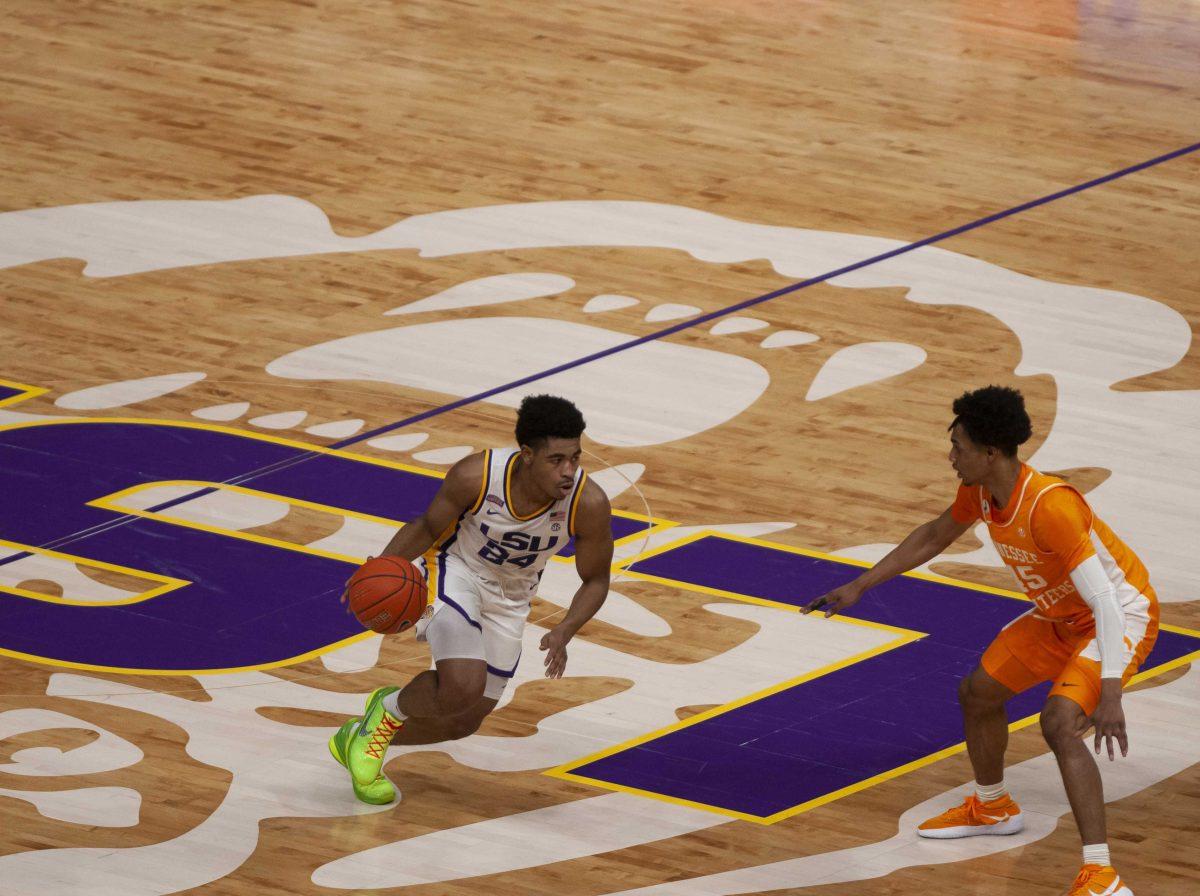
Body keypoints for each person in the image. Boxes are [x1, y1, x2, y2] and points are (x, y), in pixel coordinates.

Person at [804, 385, 1155, 896]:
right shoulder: (981, 490)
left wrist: (1111, 691)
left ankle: (1102, 875)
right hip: (1060, 616)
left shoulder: (1051, 507)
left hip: (1118, 616)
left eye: (959, 448)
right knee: (978, 692)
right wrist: (860, 585)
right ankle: (992, 807)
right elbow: (935, 534)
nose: (951, 458)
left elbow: (1104, 601)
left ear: (991, 452)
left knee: (1058, 723)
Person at [329, 394, 614, 805]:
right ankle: (386, 716)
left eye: (575, 457)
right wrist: (376, 570)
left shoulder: (587, 503)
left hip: (512, 596)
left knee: (461, 721)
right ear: (528, 455)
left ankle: (365, 732)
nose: (569, 471)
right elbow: (427, 526)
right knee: (463, 684)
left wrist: (565, 629)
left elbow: (596, 579)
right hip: (454, 571)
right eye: (557, 460)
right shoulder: (477, 476)